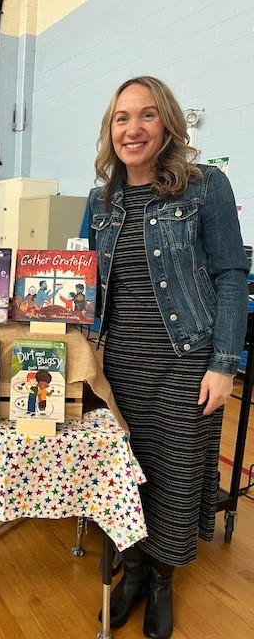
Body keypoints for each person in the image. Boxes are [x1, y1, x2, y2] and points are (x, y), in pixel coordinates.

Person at [88, 76, 249, 639]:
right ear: (111, 132)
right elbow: (91, 286)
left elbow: (232, 273)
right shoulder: (101, 197)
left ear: (168, 124)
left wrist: (224, 363)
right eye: (121, 118)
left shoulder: (205, 187)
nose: (133, 128)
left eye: (147, 115)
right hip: (118, 364)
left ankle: (160, 582)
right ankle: (130, 572)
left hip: (186, 359)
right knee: (123, 475)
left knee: (174, 477)